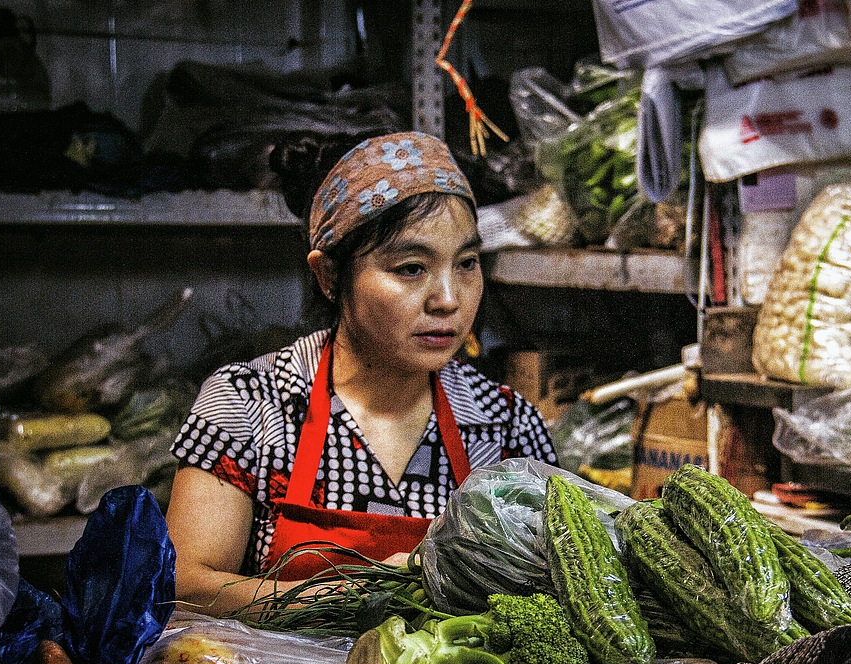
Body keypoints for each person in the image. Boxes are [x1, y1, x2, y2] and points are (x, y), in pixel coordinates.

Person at [166, 131, 558, 615]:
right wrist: (364, 599)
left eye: (467, 263)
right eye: (412, 268)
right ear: (330, 276)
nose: (449, 300)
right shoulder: (249, 402)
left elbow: (550, 592)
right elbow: (188, 586)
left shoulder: (507, 427)